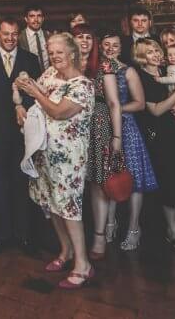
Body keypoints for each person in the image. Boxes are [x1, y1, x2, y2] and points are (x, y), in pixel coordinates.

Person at [22, 33, 95, 289]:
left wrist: (35, 94)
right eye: (51, 52)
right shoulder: (50, 74)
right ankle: (66, 252)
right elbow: (35, 91)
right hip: (45, 153)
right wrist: (22, 94)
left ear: (72, 53)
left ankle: (83, 264)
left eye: (59, 52)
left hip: (69, 159)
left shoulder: (83, 85)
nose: (54, 56)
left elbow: (57, 111)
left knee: (70, 208)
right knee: (52, 203)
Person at [0, 17, 42, 254]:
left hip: (24, 131)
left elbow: (39, 95)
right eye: (6, 34)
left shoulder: (31, 60)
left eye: (14, 34)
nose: (10, 38)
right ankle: (2, 235)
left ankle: (23, 235)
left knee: (21, 181)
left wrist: (24, 107)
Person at [134, 38, 175, 254]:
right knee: (170, 181)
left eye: (156, 50)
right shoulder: (142, 77)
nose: (155, 54)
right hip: (161, 134)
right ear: (141, 57)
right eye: (149, 52)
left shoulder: (170, 68)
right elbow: (155, 110)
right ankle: (172, 230)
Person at [98, 34, 157, 252]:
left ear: (121, 48)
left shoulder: (128, 71)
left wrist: (115, 109)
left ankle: (134, 228)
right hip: (104, 128)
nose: (111, 48)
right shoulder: (97, 70)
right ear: (100, 47)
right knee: (108, 177)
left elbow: (140, 104)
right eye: (106, 45)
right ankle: (110, 223)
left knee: (133, 179)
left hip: (127, 128)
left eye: (115, 45)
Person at [73, 25, 118, 262]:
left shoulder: (103, 66)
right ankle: (76, 236)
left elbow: (113, 104)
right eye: (79, 37)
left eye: (89, 37)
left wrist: (117, 136)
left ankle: (99, 235)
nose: (84, 41)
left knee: (98, 181)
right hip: (71, 128)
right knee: (75, 182)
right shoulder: (66, 66)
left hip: (98, 126)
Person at [18, 4, 49, 68]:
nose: (36, 20)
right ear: (26, 19)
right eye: (32, 16)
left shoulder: (50, 36)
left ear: (43, 19)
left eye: (39, 16)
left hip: (49, 75)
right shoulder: (19, 38)